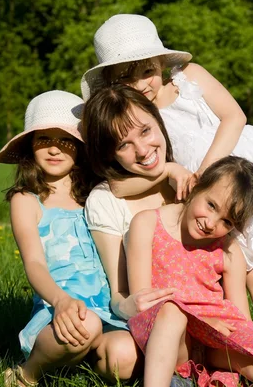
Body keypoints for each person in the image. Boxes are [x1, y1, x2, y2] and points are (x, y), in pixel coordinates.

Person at [81, 14, 253, 374]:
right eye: (126, 77)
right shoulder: (142, 122)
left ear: (161, 63)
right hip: (220, 204)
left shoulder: (191, 78)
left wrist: (203, 174)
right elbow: (124, 182)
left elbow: (235, 117)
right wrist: (171, 171)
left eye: (147, 70)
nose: (141, 83)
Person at [126, 156, 253, 387]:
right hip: (167, 333)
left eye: (227, 222)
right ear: (196, 186)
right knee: (171, 313)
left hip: (214, 342)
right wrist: (200, 322)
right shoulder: (147, 223)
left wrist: (225, 336)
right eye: (211, 205)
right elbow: (143, 301)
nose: (211, 223)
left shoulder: (228, 249)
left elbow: (240, 318)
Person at [0, 90, 136, 387]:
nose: (54, 149)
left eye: (65, 141)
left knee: (125, 359)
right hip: (57, 305)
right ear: (29, 148)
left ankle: (79, 368)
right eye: (43, 140)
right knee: (85, 325)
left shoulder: (97, 195)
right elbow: (34, 262)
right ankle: (27, 373)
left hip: (106, 306)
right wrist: (60, 301)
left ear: (80, 149)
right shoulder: (26, 199)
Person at [82, 84, 196, 386]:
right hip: (156, 322)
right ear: (109, 154)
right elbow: (119, 294)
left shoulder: (188, 179)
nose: (143, 151)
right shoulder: (105, 201)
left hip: (203, 313)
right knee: (122, 354)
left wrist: (173, 169)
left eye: (146, 131)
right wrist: (127, 306)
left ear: (159, 121)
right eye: (123, 145)